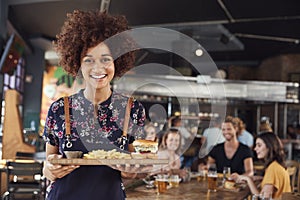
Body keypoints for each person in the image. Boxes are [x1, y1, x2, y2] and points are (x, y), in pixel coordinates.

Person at [42, 10, 147, 200]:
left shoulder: (133, 110)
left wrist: (131, 172)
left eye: (105, 59)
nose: (98, 68)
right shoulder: (59, 109)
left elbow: (134, 170)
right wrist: (51, 170)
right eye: (88, 60)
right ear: (77, 63)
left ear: (117, 61)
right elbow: (47, 166)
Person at [232, 132, 291, 199]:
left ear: (269, 147)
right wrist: (259, 178)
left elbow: (262, 198)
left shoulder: (273, 169)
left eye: (259, 145)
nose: (255, 148)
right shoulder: (276, 165)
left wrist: (248, 179)